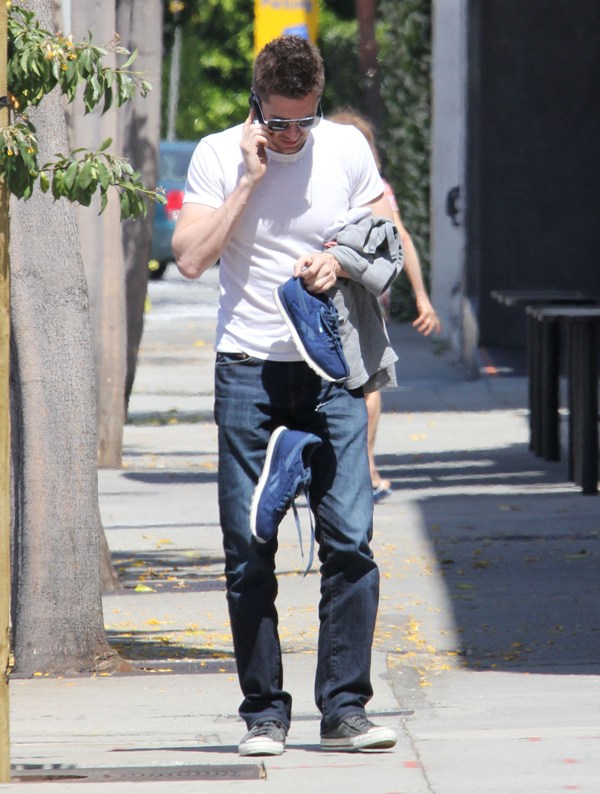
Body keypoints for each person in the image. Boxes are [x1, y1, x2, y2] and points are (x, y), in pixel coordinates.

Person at [172, 36, 399, 757]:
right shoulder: (218, 155)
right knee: (249, 547)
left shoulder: (346, 150)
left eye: (306, 120)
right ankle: (264, 714)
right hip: (249, 369)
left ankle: (345, 710)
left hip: (332, 369)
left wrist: (338, 262)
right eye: (279, 122)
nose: (294, 136)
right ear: (256, 104)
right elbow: (190, 257)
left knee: (350, 542)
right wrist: (248, 182)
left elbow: (386, 234)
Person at [328, 111, 441, 502]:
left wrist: (422, 297)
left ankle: (359, 464)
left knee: (350, 375)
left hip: (341, 288)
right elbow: (401, 238)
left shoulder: (335, 182)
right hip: (360, 290)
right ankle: (364, 465)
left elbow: (400, 238)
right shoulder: (374, 187)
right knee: (366, 377)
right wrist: (421, 297)